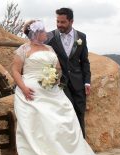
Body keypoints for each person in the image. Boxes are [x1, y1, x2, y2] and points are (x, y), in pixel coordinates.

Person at [11, 20, 100, 155]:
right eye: (43, 31)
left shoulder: (50, 48)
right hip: (31, 90)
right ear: (36, 33)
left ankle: (69, 153)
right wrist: (24, 88)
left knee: (67, 112)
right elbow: (15, 71)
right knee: (43, 118)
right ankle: (45, 153)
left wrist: (55, 78)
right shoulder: (23, 50)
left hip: (51, 88)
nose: (47, 33)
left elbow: (57, 68)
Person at [46, 8, 91, 139]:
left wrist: (87, 81)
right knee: (65, 115)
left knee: (79, 113)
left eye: (63, 22)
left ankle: (82, 147)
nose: (59, 25)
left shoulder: (81, 37)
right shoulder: (50, 37)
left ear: (71, 21)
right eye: (57, 21)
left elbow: (84, 61)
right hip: (60, 83)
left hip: (78, 83)